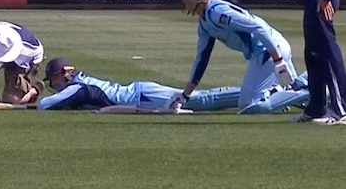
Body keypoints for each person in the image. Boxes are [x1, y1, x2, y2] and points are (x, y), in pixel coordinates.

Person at [169, 0, 310, 115]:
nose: (184, 0)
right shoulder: (205, 24)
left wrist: (278, 59)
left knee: (249, 105)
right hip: (270, 49)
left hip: (268, 50)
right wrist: (185, 95)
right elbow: (201, 61)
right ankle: (309, 83)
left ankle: (310, 89)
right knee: (299, 95)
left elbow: (257, 27)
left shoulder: (217, 12)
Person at [38, 57, 252, 112]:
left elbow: (44, 105)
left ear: (64, 75)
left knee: (201, 100)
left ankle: (257, 94)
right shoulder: (79, 84)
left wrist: (34, 93)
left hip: (143, 97)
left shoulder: (78, 88)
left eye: (54, 80)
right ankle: (255, 94)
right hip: (141, 93)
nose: (54, 85)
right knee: (201, 98)